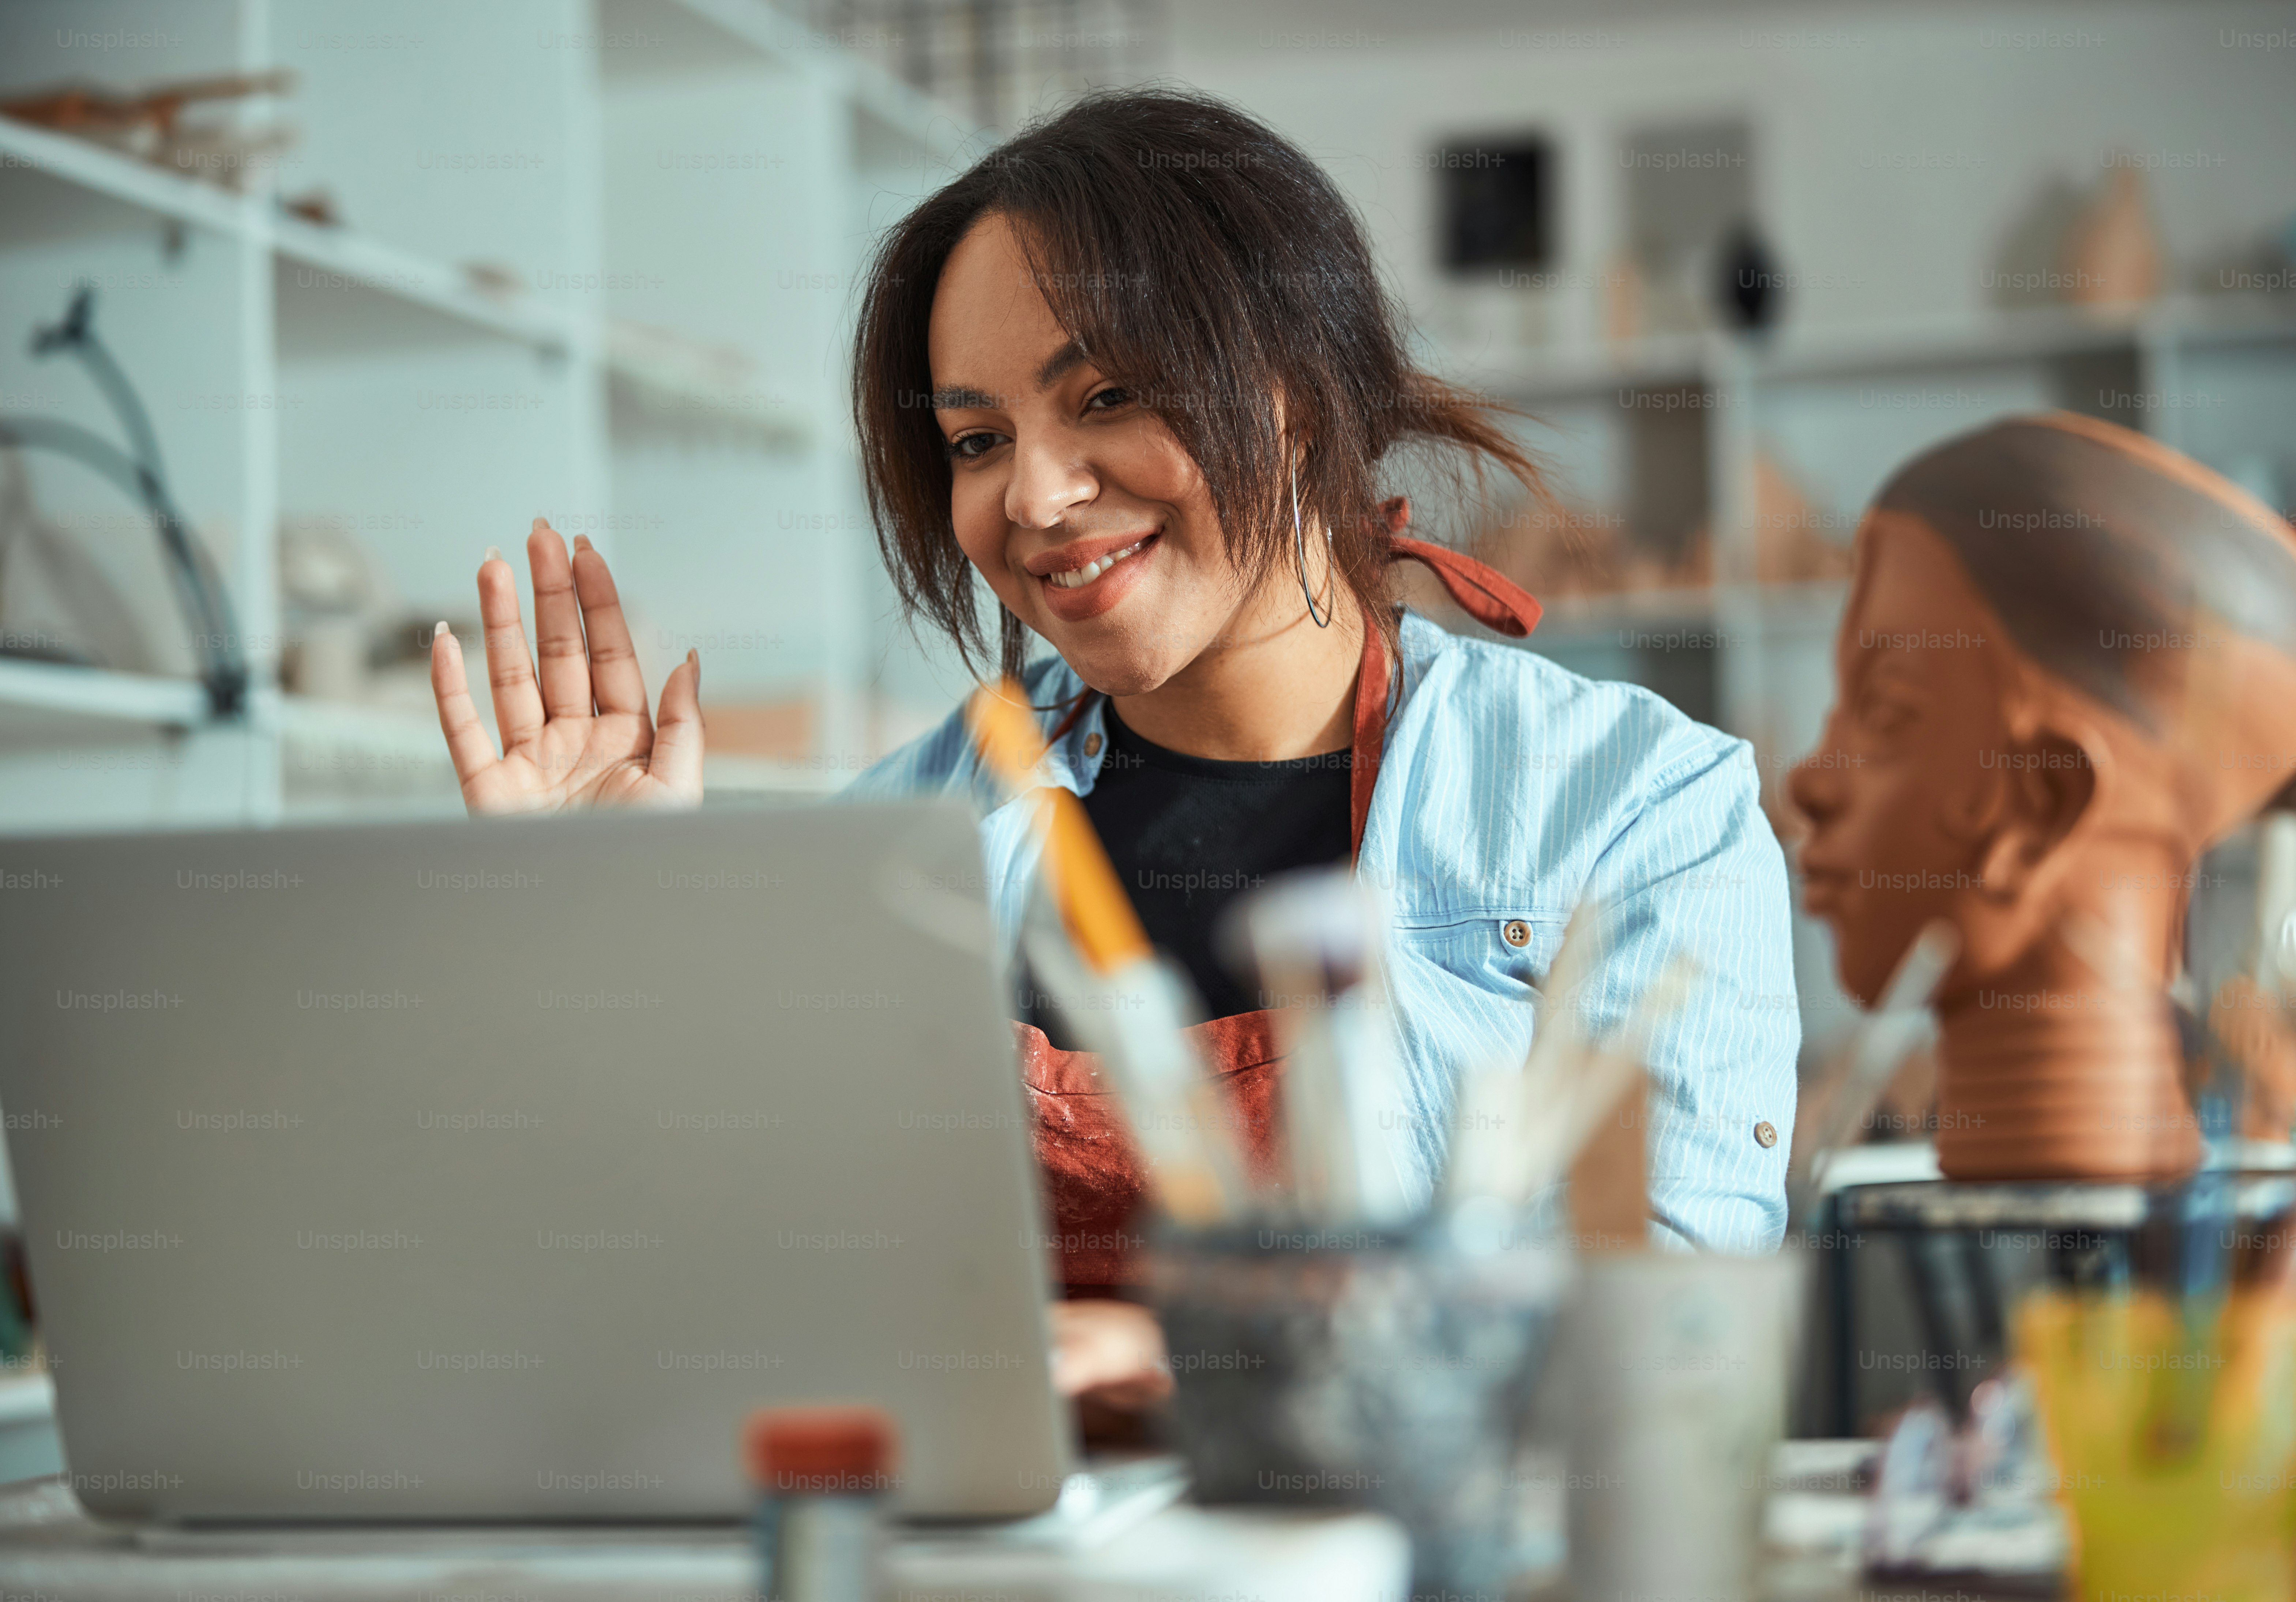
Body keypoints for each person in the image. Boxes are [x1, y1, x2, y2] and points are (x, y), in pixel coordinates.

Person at [428, 88, 1798, 1426]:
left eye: (1110, 395)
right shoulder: (892, 845)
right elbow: (673, 1304)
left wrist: (1178, 1355)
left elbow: (1676, 1329)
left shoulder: (1632, 807)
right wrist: (602, 952)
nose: (1031, 494)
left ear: (1300, 393)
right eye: (976, 439)